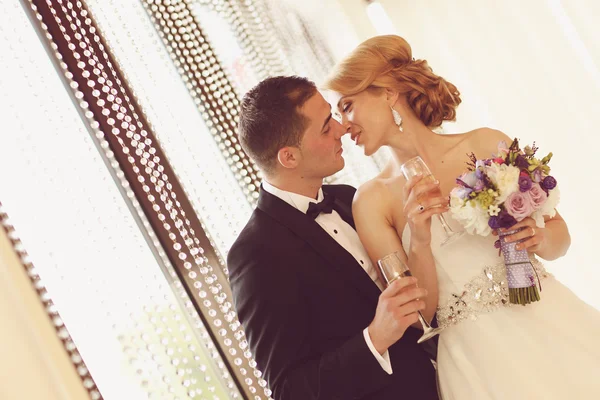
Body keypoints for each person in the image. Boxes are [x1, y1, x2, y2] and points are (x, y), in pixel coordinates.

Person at [324, 34, 600, 399]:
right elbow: (420, 312)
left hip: (550, 318)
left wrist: (541, 239)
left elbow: (558, 234)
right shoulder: (371, 202)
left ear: (387, 93)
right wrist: (420, 239)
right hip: (477, 360)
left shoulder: (485, 144)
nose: (343, 124)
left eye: (347, 106)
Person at [227, 76, 440, 400]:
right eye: (326, 126)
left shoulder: (348, 198)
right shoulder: (256, 255)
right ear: (289, 157)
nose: (342, 129)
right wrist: (374, 339)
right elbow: (289, 391)